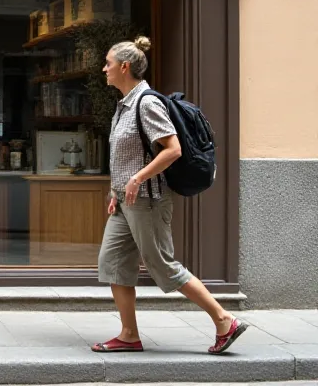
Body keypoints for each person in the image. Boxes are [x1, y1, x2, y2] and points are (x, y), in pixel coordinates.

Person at [92, 36, 247, 354]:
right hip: (125, 201)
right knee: (114, 263)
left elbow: (173, 149)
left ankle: (224, 320)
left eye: (108, 63)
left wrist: (137, 178)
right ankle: (129, 335)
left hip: (147, 201)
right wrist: (116, 190)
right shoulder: (123, 105)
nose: (103, 68)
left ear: (124, 67)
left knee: (162, 264)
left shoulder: (147, 103)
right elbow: (127, 155)